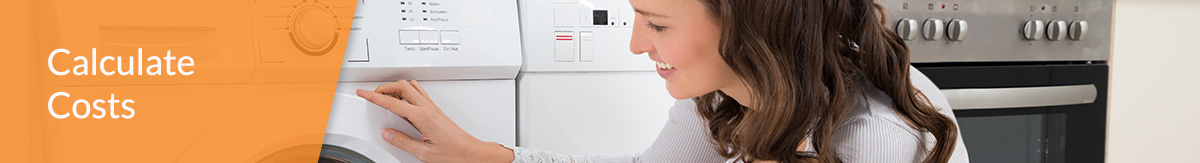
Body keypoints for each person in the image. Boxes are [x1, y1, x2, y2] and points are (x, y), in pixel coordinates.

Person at [354, 0, 970, 162]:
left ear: (747, 23)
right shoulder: (731, 98)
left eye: (655, 23)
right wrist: (482, 155)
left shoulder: (876, 142)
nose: (635, 43)